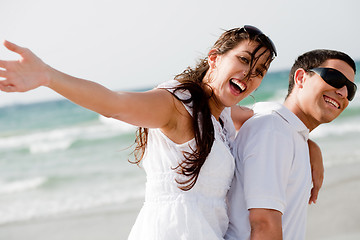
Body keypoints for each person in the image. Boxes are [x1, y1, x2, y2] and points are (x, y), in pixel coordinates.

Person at [0, 26, 321, 239]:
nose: (250, 75)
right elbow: (115, 103)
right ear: (214, 58)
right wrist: (47, 76)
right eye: (243, 60)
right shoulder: (179, 105)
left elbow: (272, 120)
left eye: (260, 72)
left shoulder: (221, 116)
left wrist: (310, 146)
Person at [225, 49, 357, 240]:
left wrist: (310, 144)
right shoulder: (273, 130)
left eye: (350, 89)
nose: (343, 92)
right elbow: (263, 223)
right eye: (334, 78)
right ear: (301, 78)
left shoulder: (289, 133)